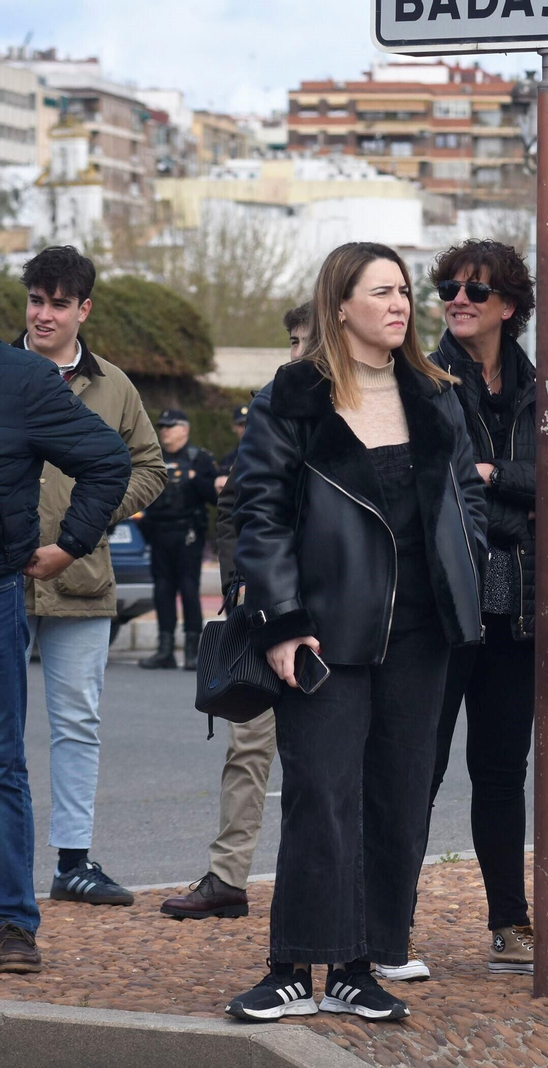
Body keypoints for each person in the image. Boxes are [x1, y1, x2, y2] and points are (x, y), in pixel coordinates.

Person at [227, 242, 487, 1022]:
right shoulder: (294, 396)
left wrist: (466, 561)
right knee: (320, 796)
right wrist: (282, 622)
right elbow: (259, 513)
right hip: (324, 633)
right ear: (340, 305)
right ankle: (287, 968)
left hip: (422, 634)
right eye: (382, 291)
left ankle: (355, 966)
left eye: (405, 291)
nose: (401, 304)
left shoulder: (437, 393)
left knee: (399, 799)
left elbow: (464, 499)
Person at [13, 246, 165, 908]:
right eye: (35, 300)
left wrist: (88, 527)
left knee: (77, 720)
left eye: (57, 303)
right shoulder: (7, 372)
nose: (43, 314)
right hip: (5, 578)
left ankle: (73, 862)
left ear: (84, 309)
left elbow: (150, 468)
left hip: (81, 577)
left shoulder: (115, 386)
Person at [406, 239, 540, 980]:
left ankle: (509, 922)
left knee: (499, 770)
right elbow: (430, 482)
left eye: (475, 291)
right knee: (415, 769)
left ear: (508, 307)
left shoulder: (544, 390)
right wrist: (497, 486)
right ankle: (389, 918)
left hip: (514, 606)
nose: (458, 299)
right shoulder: (419, 380)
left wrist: (494, 475)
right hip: (438, 603)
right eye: (449, 288)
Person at [160, 303, 311, 923]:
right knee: (247, 748)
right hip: (265, 612)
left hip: (338, 617)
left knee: (331, 765)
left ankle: (325, 893)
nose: (298, 352)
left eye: (309, 340)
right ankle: (227, 878)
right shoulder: (272, 409)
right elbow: (238, 508)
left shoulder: (368, 409)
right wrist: (241, 585)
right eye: (294, 341)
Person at [0, 339, 131, 974]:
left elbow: (113, 459)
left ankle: (12, 923)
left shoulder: (22, 379)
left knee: (7, 757)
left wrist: (71, 543)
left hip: (13, 585)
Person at [137, 407, 218, 671]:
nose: (164, 431)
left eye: (170, 426)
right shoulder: (154, 458)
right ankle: (165, 650)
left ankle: (193, 651)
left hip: (187, 535)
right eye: (162, 427)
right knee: (162, 590)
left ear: (184, 429)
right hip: (159, 533)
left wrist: (196, 481)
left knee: (189, 589)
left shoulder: (199, 458)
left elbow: (215, 498)